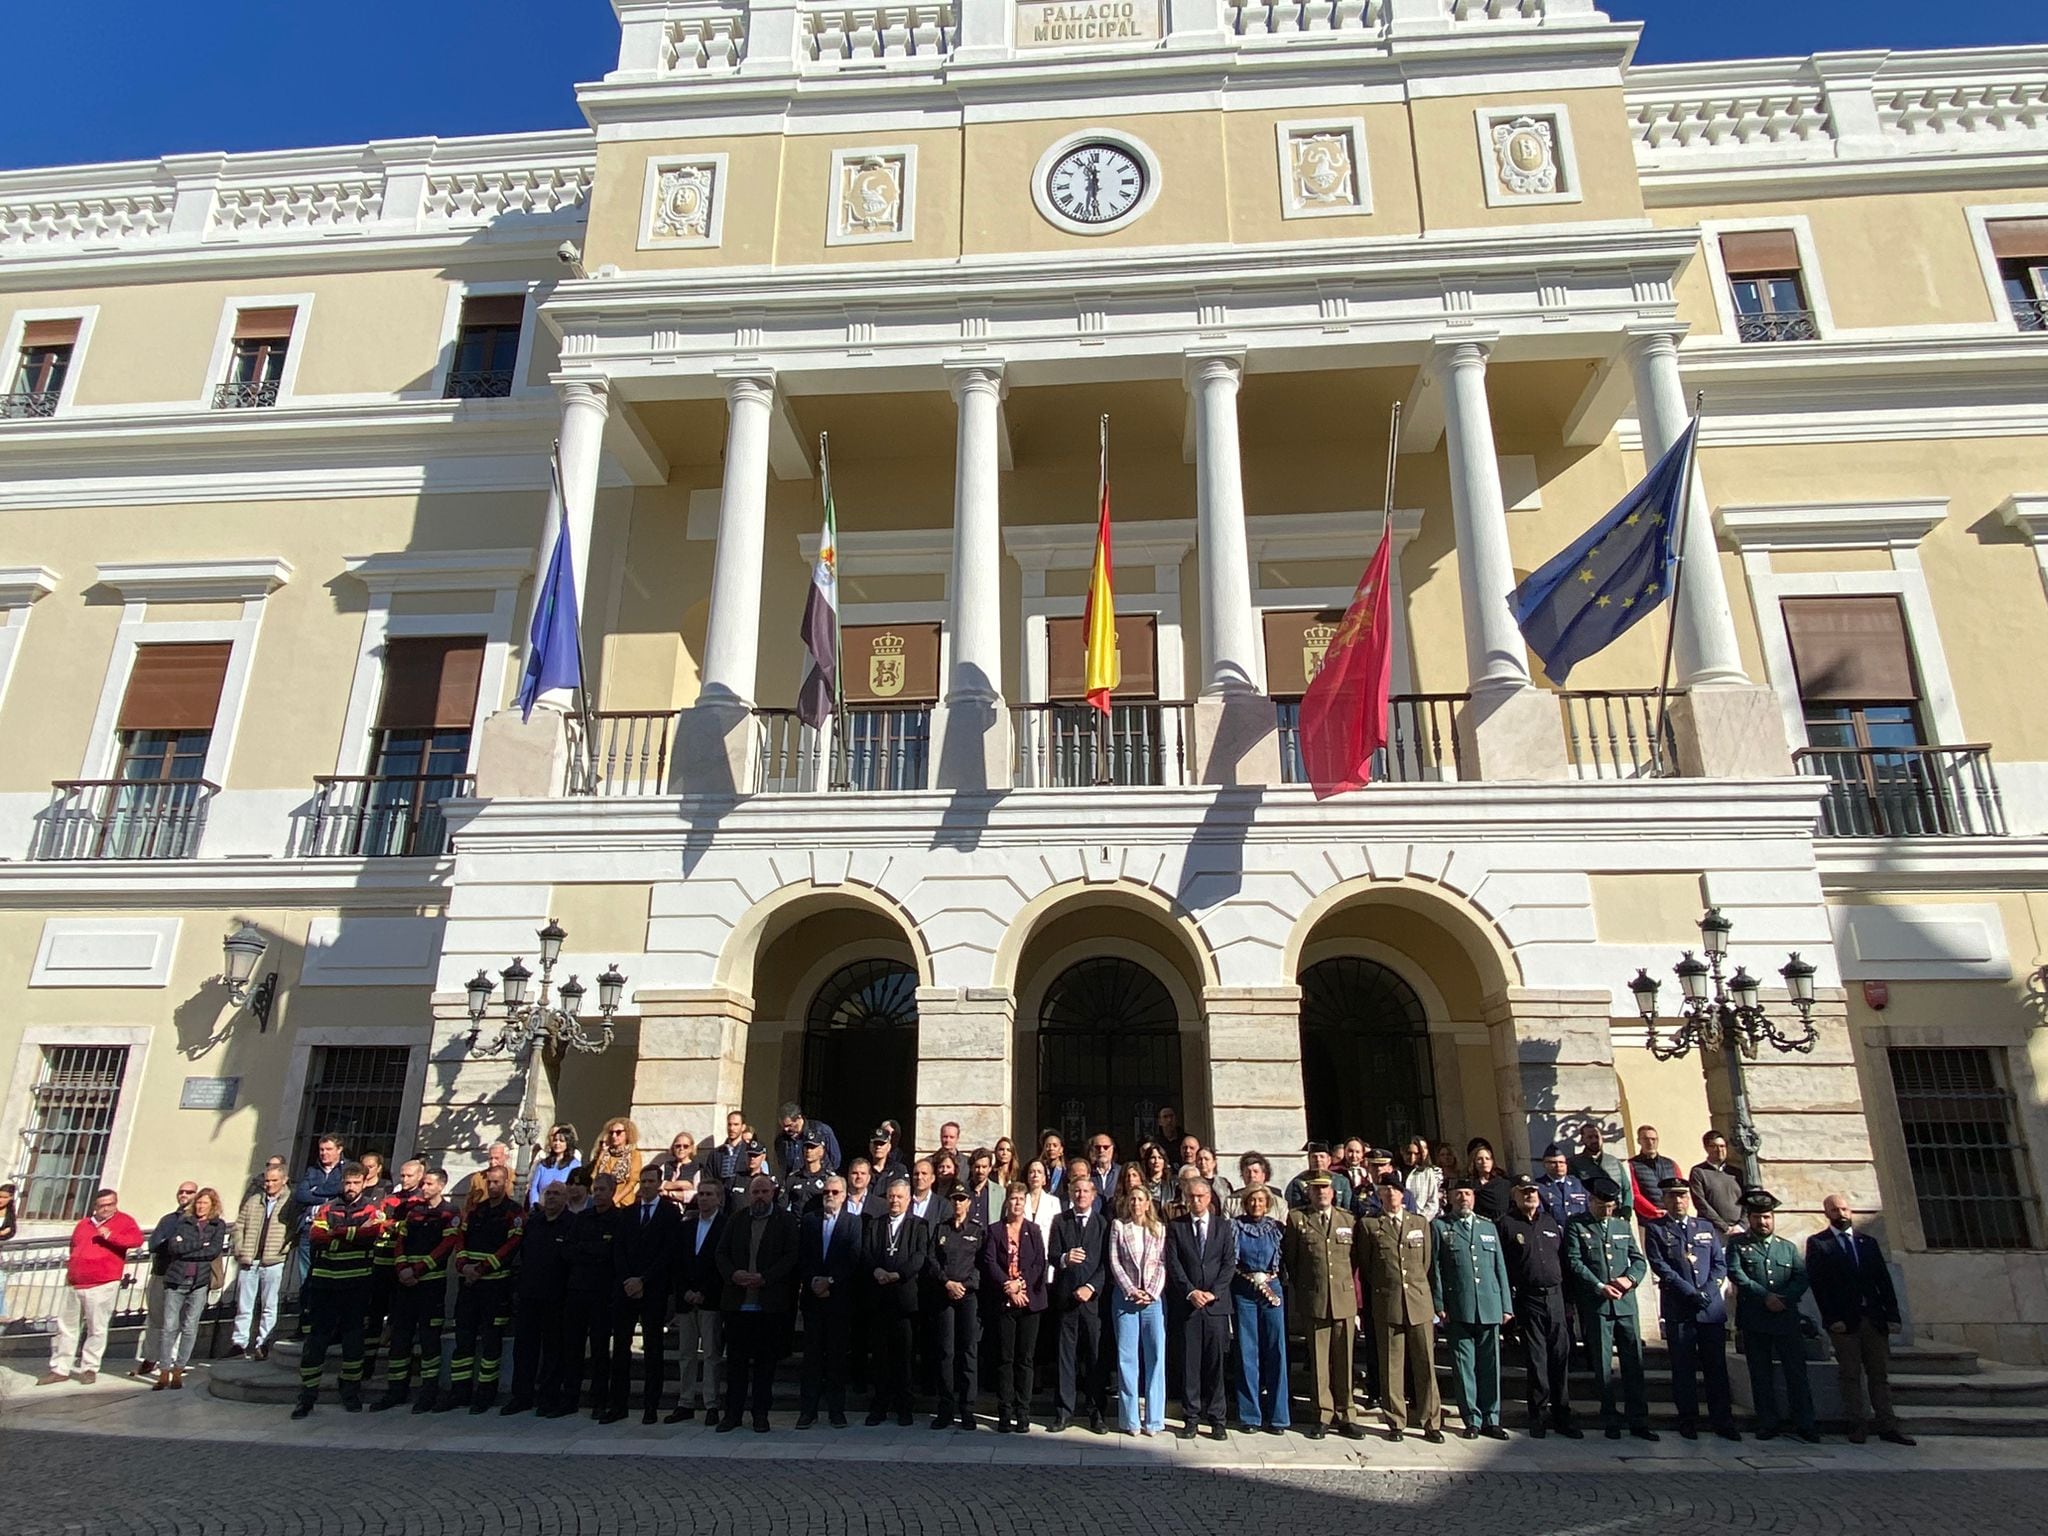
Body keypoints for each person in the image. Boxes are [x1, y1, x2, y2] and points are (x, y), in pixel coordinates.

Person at [1806, 1191, 1915, 1446]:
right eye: (1835, 1210)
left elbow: (1883, 1281)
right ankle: (1857, 1424)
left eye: (1844, 1209)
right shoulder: (1819, 1244)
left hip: (1874, 1319)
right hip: (1844, 1322)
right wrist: (1831, 1318)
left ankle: (1888, 1424)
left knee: (1879, 1374)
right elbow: (1820, 1286)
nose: (1841, 1214)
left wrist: (1892, 1315)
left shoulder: (1867, 1243)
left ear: (1851, 1211)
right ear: (1827, 1214)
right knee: (1851, 1374)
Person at [1643, 1177, 1737, 1441]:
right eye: (1672, 1196)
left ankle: (1723, 1420)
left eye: (1682, 1196)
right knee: (1683, 1369)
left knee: (1716, 1367)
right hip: (1679, 1307)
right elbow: (1660, 1265)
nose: (1678, 1201)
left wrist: (1707, 1291)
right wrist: (1689, 1292)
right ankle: (1688, 1419)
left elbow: (1719, 1263)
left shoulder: (1704, 1227)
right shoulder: (1657, 1229)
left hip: (1710, 1309)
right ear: (1665, 1199)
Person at [293, 1161, 389, 1418]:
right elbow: (316, 1237)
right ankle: (307, 1396)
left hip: (356, 1286)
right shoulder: (327, 1208)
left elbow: (371, 1235)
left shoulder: (371, 1209)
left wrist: (339, 1235)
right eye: (347, 1183)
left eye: (356, 1183)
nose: (351, 1187)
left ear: (363, 1183)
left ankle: (350, 1392)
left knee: (353, 1342)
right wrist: (352, 1235)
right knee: (316, 1343)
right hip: (325, 1285)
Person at [1564, 1172, 1655, 1441]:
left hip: (1625, 1304)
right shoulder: (1577, 1226)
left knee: (1633, 1363)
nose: (1606, 1209)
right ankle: (1609, 1417)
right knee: (1603, 1365)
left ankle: (1638, 1419)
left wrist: (1630, 1279)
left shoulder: (1622, 1227)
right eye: (1601, 1204)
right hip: (1598, 1304)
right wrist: (1598, 1286)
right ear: (1590, 1201)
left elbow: (1639, 1260)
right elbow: (1575, 1261)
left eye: (1610, 1205)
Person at [1728, 1188, 1819, 1443]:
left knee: (1796, 1373)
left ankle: (1805, 1422)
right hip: (1755, 1318)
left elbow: (1801, 1277)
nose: (1762, 1222)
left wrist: (1784, 1299)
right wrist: (1764, 1296)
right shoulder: (1738, 1245)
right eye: (1757, 1217)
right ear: (1750, 1219)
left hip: (1785, 1318)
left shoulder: (1787, 1248)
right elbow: (1737, 1274)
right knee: (1760, 1374)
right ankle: (1768, 1422)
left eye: (1767, 1217)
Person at [1357, 1177, 1443, 1443]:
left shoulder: (1419, 1224)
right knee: (1391, 1365)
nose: (1391, 1194)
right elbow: (1368, 1267)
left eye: (1395, 1190)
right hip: (1389, 1302)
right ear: (1379, 1195)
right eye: (1385, 1190)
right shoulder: (1370, 1225)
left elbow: (1426, 1263)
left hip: (1418, 1302)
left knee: (1425, 1363)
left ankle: (1431, 1420)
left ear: (1403, 1194)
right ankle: (1395, 1420)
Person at [370, 1167, 459, 1413]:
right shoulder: (413, 1212)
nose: (425, 1187)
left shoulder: (449, 1213)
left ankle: (428, 1393)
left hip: (430, 1283)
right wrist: (401, 1268)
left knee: (430, 1340)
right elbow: (401, 1242)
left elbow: (446, 1245)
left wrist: (418, 1269)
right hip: (405, 1283)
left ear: (441, 1186)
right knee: (400, 1338)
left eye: (430, 1184)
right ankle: (395, 1389)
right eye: (424, 1183)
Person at [716, 1172, 799, 1433]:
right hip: (738, 1304)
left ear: (773, 1192)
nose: (760, 1197)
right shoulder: (737, 1219)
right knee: (736, 1364)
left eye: (764, 1192)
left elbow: (791, 1256)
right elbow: (721, 1252)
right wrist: (733, 1274)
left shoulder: (785, 1221)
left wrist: (766, 1278)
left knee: (765, 1366)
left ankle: (760, 1414)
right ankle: (732, 1414)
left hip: (768, 1305)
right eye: (755, 1192)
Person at [1282, 1171, 1362, 1440]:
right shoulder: (1298, 1219)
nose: (1321, 1193)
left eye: (1325, 1189)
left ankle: (1346, 1414)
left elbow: (1356, 1260)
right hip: (1314, 1298)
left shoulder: (1348, 1220)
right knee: (1319, 1361)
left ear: (1334, 1191)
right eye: (1316, 1189)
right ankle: (1322, 1414)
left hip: (1343, 1298)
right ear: (1309, 1192)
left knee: (1344, 1360)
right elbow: (1291, 1259)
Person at [1498, 1175, 1578, 1438]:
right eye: (1524, 1192)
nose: (1530, 1196)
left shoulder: (1551, 1222)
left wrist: (1568, 1302)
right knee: (1536, 1358)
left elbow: (1564, 1262)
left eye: (1533, 1191)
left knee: (1560, 1357)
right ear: (1515, 1196)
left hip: (1555, 1297)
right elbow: (1504, 1267)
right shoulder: (1507, 1225)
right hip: (1528, 1298)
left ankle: (1562, 1414)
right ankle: (1538, 1414)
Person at [440, 1164, 524, 1414]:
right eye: (490, 1182)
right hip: (469, 1286)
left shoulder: (514, 1213)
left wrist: (483, 1268)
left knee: (491, 1342)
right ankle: (460, 1391)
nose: (493, 1186)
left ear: (507, 1183)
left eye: (498, 1182)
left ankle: (485, 1393)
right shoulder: (476, 1211)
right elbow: (460, 1240)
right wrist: (464, 1265)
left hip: (495, 1287)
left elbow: (512, 1245)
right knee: (463, 1338)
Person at [1431, 1179, 1512, 1440]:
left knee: (1490, 1365)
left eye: (1467, 1193)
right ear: (1451, 1198)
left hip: (1489, 1304)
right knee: (1464, 1365)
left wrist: (1506, 1305)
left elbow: (1500, 1267)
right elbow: (1436, 1270)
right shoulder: (1441, 1227)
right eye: (1459, 1194)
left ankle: (1492, 1417)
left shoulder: (1487, 1227)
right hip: (1459, 1306)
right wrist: (1440, 1303)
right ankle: (1472, 1419)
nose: (1463, 1198)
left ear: (1474, 1197)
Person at [39, 1188, 144, 1386]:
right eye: (102, 1205)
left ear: (115, 1204)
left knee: (97, 1328)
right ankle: (60, 1369)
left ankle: (89, 1368)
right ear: (95, 1206)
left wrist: (110, 1235)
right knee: (66, 1328)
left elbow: (136, 1241)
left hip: (103, 1282)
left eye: (110, 1204)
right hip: (76, 1282)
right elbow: (74, 1246)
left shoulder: (124, 1221)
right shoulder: (84, 1224)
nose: (106, 1209)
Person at [1165, 1176, 1233, 1441]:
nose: (1195, 1201)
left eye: (1200, 1197)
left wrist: (1213, 1293)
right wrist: (1191, 1291)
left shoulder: (1223, 1227)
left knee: (1215, 1365)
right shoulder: (1176, 1227)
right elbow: (1174, 1264)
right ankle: (1191, 1417)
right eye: (1191, 1197)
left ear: (1209, 1198)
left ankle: (1217, 1418)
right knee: (1189, 1363)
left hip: (1215, 1306)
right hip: (1188, 1305)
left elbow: (1229, 1263)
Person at [612, 1165, 680, 1424]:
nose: (646, 1185)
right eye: (643, 1180)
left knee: (653, 1348)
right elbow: (618, 1249)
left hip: (653, 1289)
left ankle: (651, 1406)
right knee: (621, 1347)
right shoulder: (627, 1213)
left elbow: (668, 1252)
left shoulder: (669, 1213)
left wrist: (644, 1279)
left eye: (651, 1181)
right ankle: (619, 1404)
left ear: (660, 1183)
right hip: (626, 1287)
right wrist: (628, 1279)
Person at [796, 1173, 863, 1428]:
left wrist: (831, 1282)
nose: (830, 1197)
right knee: (811, 1357)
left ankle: (836, 1410)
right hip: (813, 1299)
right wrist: (813, 1280)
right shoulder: (810, 1221)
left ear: (844, 1196)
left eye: (835, 1193)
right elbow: (802, 1256)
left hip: (839, 1299)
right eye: (826, 1193)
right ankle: (808, 1410)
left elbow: (854, 1257)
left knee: (836, 1357)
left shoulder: (852, 1223)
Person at [982, 1181, 1049, 1432]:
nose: (1017, 1203)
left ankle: (1023, 1412)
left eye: (1021, 1199)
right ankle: (1004, 1412)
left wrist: (1021, 1285)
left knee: (1025, 1359)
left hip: (1029, 1302)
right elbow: (990, 1261)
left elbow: (1039, 1263)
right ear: (1006, 1201)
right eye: (1013, 1198)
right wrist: (1007, 1285)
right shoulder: (995, 1230)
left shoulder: (1034, 1230)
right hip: (1003, 1301)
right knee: (1005, 1358)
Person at [863, 1174, 929, 1426]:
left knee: (904, 1357)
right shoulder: (876, 1224)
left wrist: (897, 1274)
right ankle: (879, 1404)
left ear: (908, 1199)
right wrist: (877, 1270)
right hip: (879, 1298)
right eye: (891, 1197)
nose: (894, 1201)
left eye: (899, 1197)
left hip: (904, 1299)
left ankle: (904, 1406)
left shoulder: (918, 1225)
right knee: (879, 1356)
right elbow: (867, 1251)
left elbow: (919, 1256)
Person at [148, 1186, 228, 1392]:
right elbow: (174, 1247)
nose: (201, 1206)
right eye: (199, 1203)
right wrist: (200, 1244)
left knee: (190, 1327)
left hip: (199, 1282)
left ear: (213, 1206)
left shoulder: (217, 1225)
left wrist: (192, 1246)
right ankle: (164, 1370)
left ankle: (178, 1369)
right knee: (169, 1326)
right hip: (176, 1279)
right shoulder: (183, 1221)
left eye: (205, 1203)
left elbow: (213, 1251)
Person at [506, 1181, 574, 1416]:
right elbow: (522, 1256)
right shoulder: (533, 1223)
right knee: (524, 1349)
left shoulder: (572, 1225)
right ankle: (521, 1396)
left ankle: (548, 1397)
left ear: (566, 1198)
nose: (552, 1198)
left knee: (553, 1351)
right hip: (529, 1296)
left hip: (557, 1298)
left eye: (557, 1194)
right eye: (549, 1193)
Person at [561, 1171, 624, 1422]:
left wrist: (589, 1250)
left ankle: (599, 1400)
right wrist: (593, 1249)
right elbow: (567, 1250)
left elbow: (611, 1253)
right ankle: (570, 1398)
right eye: (595, 1190)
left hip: (602, 1292)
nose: (598, 1194)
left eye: (602, 1190)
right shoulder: (582, 1218)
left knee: (599, 1350)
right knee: (572, 1347)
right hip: (577, 1290)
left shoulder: (619, 1220)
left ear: (612, 1192)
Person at [1049, 1170, 1109, 1433]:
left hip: (1092, 1302)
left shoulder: (1103, 1224)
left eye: (1085, 1191)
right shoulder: (1060, 1221)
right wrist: (1064, 1258)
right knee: (1065, 1357)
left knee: (1094, 1357)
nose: (1081, 1195)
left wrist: (1091, 1287)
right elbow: (1051, 1255)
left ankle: (1096, 1411)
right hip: (1066, 1299)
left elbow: (1107, 1263)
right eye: (1076, 1191)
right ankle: (1064, 1412)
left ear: (1094, 1195)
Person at [1229, 1183, 1290, 1434]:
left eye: (1261, 1201)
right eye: (1252, 1200)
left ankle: (1279, 1416)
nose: (1256, 1205)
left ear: (1268, 1204)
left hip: (1271, 1290)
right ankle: (1250, 1415)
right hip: (1244, 1290)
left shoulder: (1276, 1229)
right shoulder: (1235, 1226)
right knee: (1247, 1350)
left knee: (1276, 1350)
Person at [1109, 1185, 1168, 1436]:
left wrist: (1151, 1292)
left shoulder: (1159, 1229)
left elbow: (1163, 1263)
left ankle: (1154, 1419)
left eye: (1140, 1199)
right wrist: (1131, 1290)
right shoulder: (1119, 1227)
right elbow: (1114, 1260)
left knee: (1155, 1358)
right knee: (1127, 1359)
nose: (1135, 1203)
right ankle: (1131, 1419)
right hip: (1126, 1298)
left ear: (1147, 1203)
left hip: (1153, 1300)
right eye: (1132, 1199)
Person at [669, 1176, 727, 1424]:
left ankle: (711, 1403)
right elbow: (678, 1262)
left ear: (719, 1199)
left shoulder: (725, 1226)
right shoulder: (687, 1226)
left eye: (709, 1194)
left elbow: (721, 1264)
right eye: (701, 1194)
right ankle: (686, 1401)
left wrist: (704, 1291)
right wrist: (684, 1291)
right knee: (686, 1353)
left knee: (712, 1353)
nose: (703, 1198)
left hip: (710, 1299)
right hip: (686, 1299)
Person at [929, 1183, 986, 1431]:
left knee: (968, 1351)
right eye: (955, 1199)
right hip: (945, 1294)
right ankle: (945, 1408)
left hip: (967, 1296)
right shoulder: (941, 1229)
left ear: (969, 1202)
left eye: (962, 1199)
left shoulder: (976, 1231)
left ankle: (967, 1409)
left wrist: (965, 1285)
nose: (958, 1203)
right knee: (945, 1352)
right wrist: (947, 1282)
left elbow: (981, 1263)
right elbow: (932, 1260)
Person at [229, 1164, 295, 1360]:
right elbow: (238, 1226)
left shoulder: (290, 1202)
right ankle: (239, 1343)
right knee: (244, 1305)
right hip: (250, 1258)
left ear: (284, 1180)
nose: (270, 1184)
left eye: (274, 1180)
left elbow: (293, 1228)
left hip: (273, 1260)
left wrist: (283, 1248)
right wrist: (240, 1248)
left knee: (269, 1304)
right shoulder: (254, 1201)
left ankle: (263, 1342)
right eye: (267, 1180)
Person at [135, 1179, 198, 1380]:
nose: (184, 1195)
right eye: (181, 1191)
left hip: (184, 1276)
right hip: (161, 1272)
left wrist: (176, 1245)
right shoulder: (168, 1220)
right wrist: (174, 1244)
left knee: (179, 1320)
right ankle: (151, 1357)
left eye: (189, 1192)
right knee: (155, 1318)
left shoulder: (199, 1222)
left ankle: (172, 1361)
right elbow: (155, 1244)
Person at [291, 1135, 345, 1291]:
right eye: (321, 1149)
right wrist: (325, 1197)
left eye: (328, 1149)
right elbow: (300, 1195)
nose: (323, 1153)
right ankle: (306, 1307)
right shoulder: (312, 1170)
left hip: (331, 1228)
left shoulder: (346, 1169)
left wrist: (315, 1192)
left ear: (339, 1149)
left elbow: (340, 1191)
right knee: (306, 1275)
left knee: (328, 1273)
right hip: (308, 1227)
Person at [1567, 1122, 1633, 1216]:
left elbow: (1626, 1189)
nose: (1594, 1140)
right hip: (1589, 1215)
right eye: (1590, 1137)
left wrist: (1627, 1212)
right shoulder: (1574, 1163)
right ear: (1582, 1140)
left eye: (1597, 1137)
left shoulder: (1614, 1161)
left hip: (1615, 1214)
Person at [1688, 1131, 1745, 1238]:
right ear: (1706, 1148)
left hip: (1739, 1230)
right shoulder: (1699, 1172)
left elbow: (1746, 1200)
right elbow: (1700, 1203)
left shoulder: (1736, 1173)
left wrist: (1741, 1225)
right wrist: (1724, 1227)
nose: (1719, 1150)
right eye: (1714, 1146)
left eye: (1722, 1146)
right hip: (1713, 1230)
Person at [1628, 1126, 1679, 1225]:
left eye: (1653, 1139)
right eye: (1646, 1139)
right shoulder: (1632, 1165)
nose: (1650, 1143)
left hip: (1673, 1218)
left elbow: (1681, 1190)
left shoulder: (1671, 1164)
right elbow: (1635, 1194)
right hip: (1648, 1222)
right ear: (1639, 1141)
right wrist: (1654, 1212)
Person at [775, 1101, 841, 1178]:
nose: (785, 1129)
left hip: (820, 1181)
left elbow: (835, 1160)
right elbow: (783, 1167)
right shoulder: (781, 1140)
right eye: (783, 1126)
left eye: (789, 1125)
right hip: (794, 1184)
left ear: (799, 1118)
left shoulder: (821, 1130)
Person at [1533, 1144, 1588, 1230]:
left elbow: (1588, 1209)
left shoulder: (1578, 1184)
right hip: (1554, 1234)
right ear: (1544, 1164)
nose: (1558, 1166)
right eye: (1553, 1163)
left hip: (1578, 1233)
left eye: (1561, 1162)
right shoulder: (1539, 1187)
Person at [1284, 1143, 1351, 1212]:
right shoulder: (1298, 1182)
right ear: (1309, 1160)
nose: (1318, 1160)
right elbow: (1295, 1210)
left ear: (1329, 1160)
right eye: (1314, 1157)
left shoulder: (1341, 1181)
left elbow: (1347, 1209)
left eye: (1322, 1156)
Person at [529, 1124, 583, 1207]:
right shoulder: (543, 1164)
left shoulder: (574, 1164)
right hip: (542, 1207)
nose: (557, 1143)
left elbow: (575, 1188)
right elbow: (534, 1187)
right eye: (555, 1140)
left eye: (561, 1141)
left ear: (567, 1143)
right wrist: (534, 1206)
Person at [781, 1130, 832, 1215]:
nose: (809, 1150)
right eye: (806, 1147)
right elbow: (781, 1206)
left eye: (813, 1147)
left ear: (821, 1151)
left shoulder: (829, 1179)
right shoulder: (793, 1178)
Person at [456, 1143, 516, 1208]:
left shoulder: (515, 1177)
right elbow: (469, 1204)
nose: (493, 1162)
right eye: (490, 1158)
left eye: (497, 1158)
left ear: (506, 1157)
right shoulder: (477, 1178)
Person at [1468, 1141, 1515, 1223]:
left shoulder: (1503, 1184)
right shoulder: (1470, 1185)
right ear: (1474, 1162)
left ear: (1492, 1162)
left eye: (1487, 1158)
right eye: (1479, 1159)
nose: (1484, 1162)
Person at [591, 1117, 642, 1192]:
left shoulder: (634, 1154)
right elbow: (594, 1175)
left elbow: (632, 1182)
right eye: (611, 1133)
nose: (614, 1136)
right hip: (602, 1198)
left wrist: (615, 1200)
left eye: (618, 1132)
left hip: (624, 1201)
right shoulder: (605, 1153)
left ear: (627, 1134)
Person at [707, 1111, 754, 1187]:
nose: (732, 1128)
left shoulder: (750, 1152)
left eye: (736, 1124)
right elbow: (708, 1179)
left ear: (743, 1127)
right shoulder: (715, 1153)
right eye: (729, 1124)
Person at [1403, 1137, 1443, 1221]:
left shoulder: (1427, 1172)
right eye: (1408, 1153)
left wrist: (1420, 1220)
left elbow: (1433, 1202)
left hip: (1421, 1219)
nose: (1412, 1157)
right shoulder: (1396, 1173)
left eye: (1416, 1154)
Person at [1195, 1146, 1235, 1211]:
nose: (1203, 1162)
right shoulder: (1193, 1183)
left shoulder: (1224, 1184)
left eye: (1206, 1159)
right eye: (1200, 1159)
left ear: (1214, 1162)